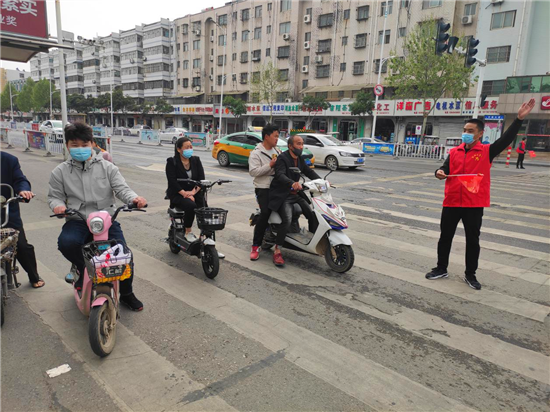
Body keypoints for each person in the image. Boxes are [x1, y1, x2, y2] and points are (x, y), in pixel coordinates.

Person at [425, 99, 535, 290]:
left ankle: (470, 274)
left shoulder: (486, 151)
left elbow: (506, 140)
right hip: (451, 202)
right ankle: (441, 268)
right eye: (465, 130)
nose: (466, 134)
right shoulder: (455, 151)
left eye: (470, 131)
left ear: (480, 133)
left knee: (472, 240)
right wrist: (439, 172)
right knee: (445, 237)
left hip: (473, 204)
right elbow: (444, 168)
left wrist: (518, 119)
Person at [48, 122, 147, 311]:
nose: (80, 149)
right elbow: (54, 196)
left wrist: (134, 199)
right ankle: (83, 271)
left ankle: (127, 293)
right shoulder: (59, 171)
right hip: (77, 220)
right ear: (67, 145)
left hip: (106, 220)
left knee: (124, 256)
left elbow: (122, 189)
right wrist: (58, 206)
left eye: (84, 144)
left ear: (92, 143)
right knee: (67, 243)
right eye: (75, 145)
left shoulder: (108, 168)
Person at [269, 135, 321, 267]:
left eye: (302, 144)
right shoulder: (282, 158)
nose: (301, 147)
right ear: (290, 146)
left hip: (295, 194)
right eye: (298, 144)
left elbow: (309, 172)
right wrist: (292, 183)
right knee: (287, 219)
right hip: (283, 195)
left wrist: (322, 181)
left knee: (312, 214)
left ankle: (313, 243)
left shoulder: (300, 159)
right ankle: (277, 249)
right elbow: (280, 174)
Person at [0, 152, 44, 288]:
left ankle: (34, 276)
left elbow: (20, 180)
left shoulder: (9, 160)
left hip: (6, 212)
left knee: (21, 246)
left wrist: (23, 190)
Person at [248, 124, 281, 261]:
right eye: (275, 136)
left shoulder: (277, 151)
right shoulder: (256, 153)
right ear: (267, 136)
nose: (277, 139)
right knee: (265, 213)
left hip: (277, 187)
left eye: (278, 136)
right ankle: (255, 246)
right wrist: (270, 165)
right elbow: (253, 172)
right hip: (263, 188)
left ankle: (279, 246)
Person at [165, 137, 205, 242]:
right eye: (187, 147)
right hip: (178, 193)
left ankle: (205, 235)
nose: (190, 149)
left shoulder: (196, 160)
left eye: (191, 147)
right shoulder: (171, 162)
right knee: (190, 205)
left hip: (194, 192)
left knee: (204, 209)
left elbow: (201, 179)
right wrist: (185, 194)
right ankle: (188, 231)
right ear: (179, 149)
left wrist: (192, 192)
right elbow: (172, 182)